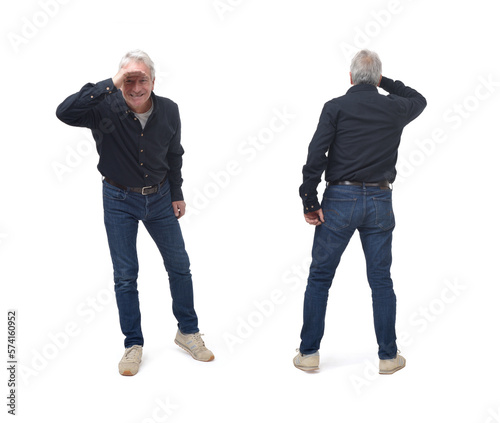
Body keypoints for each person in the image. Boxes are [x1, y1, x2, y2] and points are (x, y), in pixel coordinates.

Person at [56, 49, 214, 376]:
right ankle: (133, 344)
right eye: (128, 80)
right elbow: (64, 112)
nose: (136, 87)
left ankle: (187, 331)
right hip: (118, 199)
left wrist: (177, 193)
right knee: (126, 274)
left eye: (142, 79)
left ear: (154, 81)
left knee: (180, 265)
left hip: (159, 199)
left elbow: (174, 155)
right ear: (119, 82)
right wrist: (111, 83)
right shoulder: (102, 106)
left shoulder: (169, 110)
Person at [294, 49, 426, 374]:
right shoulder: (395, 106)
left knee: (320, 277)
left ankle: (309, 354)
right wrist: (385, 82)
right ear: (377, 78)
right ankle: (388, 357)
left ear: (351, 77)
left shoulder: (335, 107)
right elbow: (418, 99)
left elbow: (316, 154)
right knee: (381, 280)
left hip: (340, 199)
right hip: (380, 201)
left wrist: (309, 199)